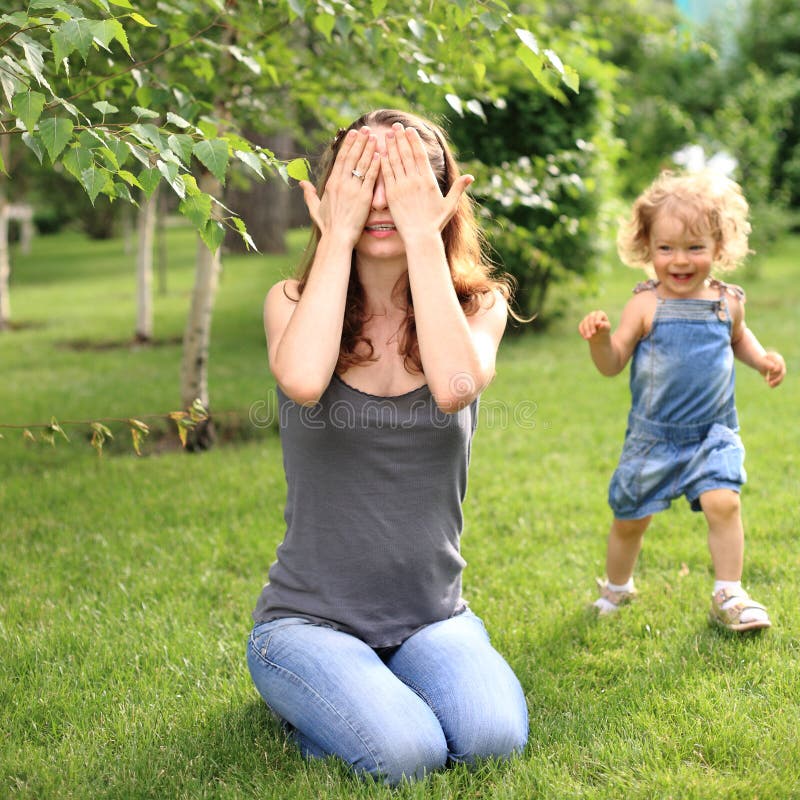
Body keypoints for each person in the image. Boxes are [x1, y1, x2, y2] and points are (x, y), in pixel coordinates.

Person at [246, 109, 528, 785]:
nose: (380, 203)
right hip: (308, 622)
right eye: (360, 180)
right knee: (411, 757)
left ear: (441, 194)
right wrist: (336, 238)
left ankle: (360, 698)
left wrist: (423, 239)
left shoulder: (478, 307)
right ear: (330, 192)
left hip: (432, 619)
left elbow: (456, 384)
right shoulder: (290, 301)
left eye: (399, 183)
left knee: (491, 743)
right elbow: (305, 381)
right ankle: (323, 699)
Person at [578, 170, 786, 632]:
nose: (680, 260)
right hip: (652, 438)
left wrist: (762, 359)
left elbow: (739, 339)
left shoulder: (726, 302)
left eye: (695, 247)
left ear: (719, 247)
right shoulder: (645, 306)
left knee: (723, 503)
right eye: (665, 248)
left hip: (713, 432)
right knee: (630, 518)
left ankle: (728, 591)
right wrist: (601, 340)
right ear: (646, 248)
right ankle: (617, 587)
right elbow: (613, 363)